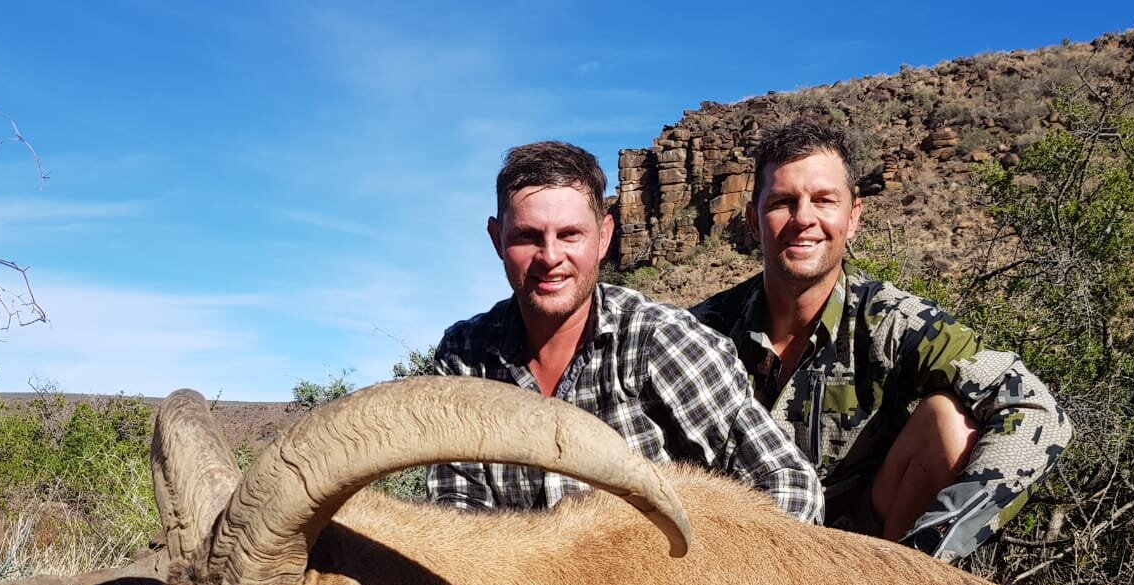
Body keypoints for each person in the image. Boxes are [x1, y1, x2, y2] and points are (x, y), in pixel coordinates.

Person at [691, 118, 1071, 561]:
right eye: (781, 202)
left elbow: (1037, 409)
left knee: (949, 422)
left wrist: (932, 541)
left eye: (824, 200)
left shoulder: (893, 321)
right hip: (735, 556)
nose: (804, 219)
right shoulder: (701, 332)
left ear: (853, 219)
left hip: (864, 559)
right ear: (754, 223)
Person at [427, 140, 822, 523]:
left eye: (570, 235)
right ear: (498, 239)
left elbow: (789, 485)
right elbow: (456, 517)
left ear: (603, 237)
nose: (550, 257)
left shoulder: (659, 340)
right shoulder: (464, 357)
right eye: (526, 236)